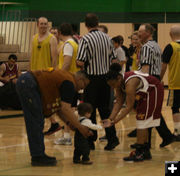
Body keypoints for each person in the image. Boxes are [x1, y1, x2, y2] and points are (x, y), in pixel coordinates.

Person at [16, 68, 92, 166]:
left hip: (26, 81)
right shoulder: (69, 83)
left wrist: (69, 123)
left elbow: (59, 108)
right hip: (29, 83)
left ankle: (38, 155)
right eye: (84, 85)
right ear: (80, 79)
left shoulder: (67, 78)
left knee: (36, 121)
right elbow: (66, 108)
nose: (82, 88)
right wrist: (80, 127)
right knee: (36, 121)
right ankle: (38, 156)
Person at [102, 63, 164, 162]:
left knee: (142, 120)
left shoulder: (130, 84)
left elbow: (129, 107)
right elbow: (118, 102)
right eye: (111, 86)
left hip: (154, 90)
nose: (113, 87)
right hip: (145, 93)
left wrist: (115, 121)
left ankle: (139, 152)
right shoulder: (119, 83)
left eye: (113, 84)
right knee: (142, 120)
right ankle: (145, 151)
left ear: (118, 78)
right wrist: (110, 118)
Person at [76, 13, 119, 151]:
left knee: (89, 110)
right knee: (105, 110)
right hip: (105, 79)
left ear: (86, 25)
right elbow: (114, 60)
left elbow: (79, 61)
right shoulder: (107, 38)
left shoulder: (85, 39)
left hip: (91, 79)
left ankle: (90, 140)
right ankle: (112, 139)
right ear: (98, 23)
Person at [136, 23, 175, 148]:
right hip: (155, 79)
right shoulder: (156, 45)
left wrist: (140, 83)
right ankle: (159, 138)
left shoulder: (147, 47)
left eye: (140, 32)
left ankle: (147, 142)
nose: (138, 34)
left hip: (149, 81)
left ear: (148, 32)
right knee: (153, 111)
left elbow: (146, 68)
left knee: (147, 111)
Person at [30, 17, 59, 135]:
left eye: (45, 24)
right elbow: (31, 56)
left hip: (46, 75)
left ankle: (46, 124)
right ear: (37, 25)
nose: (43, 25)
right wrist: (29, 71)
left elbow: (54, 58)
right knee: (38, 100)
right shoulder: (33, 38)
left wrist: (52, 73)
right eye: (41, 24)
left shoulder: (52, 39)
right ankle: (53, 123)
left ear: (48, 25)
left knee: (43, 100)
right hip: (34, 73)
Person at [54, 23, 79, 145]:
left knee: (66, 109)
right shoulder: (72, 43)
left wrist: (58, 77)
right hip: (71, 79)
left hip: (67, 80)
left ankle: (69, 135)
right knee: (68, 109)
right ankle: (67, 134)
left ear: (59, 33)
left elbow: (67, 62)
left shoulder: (69, 44)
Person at [160, 25, 180, 141]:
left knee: (175, 108)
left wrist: (159, 79)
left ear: (170, 34)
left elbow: (163, 66)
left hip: (176, 83)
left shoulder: (170, 47)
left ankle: (177, 132)